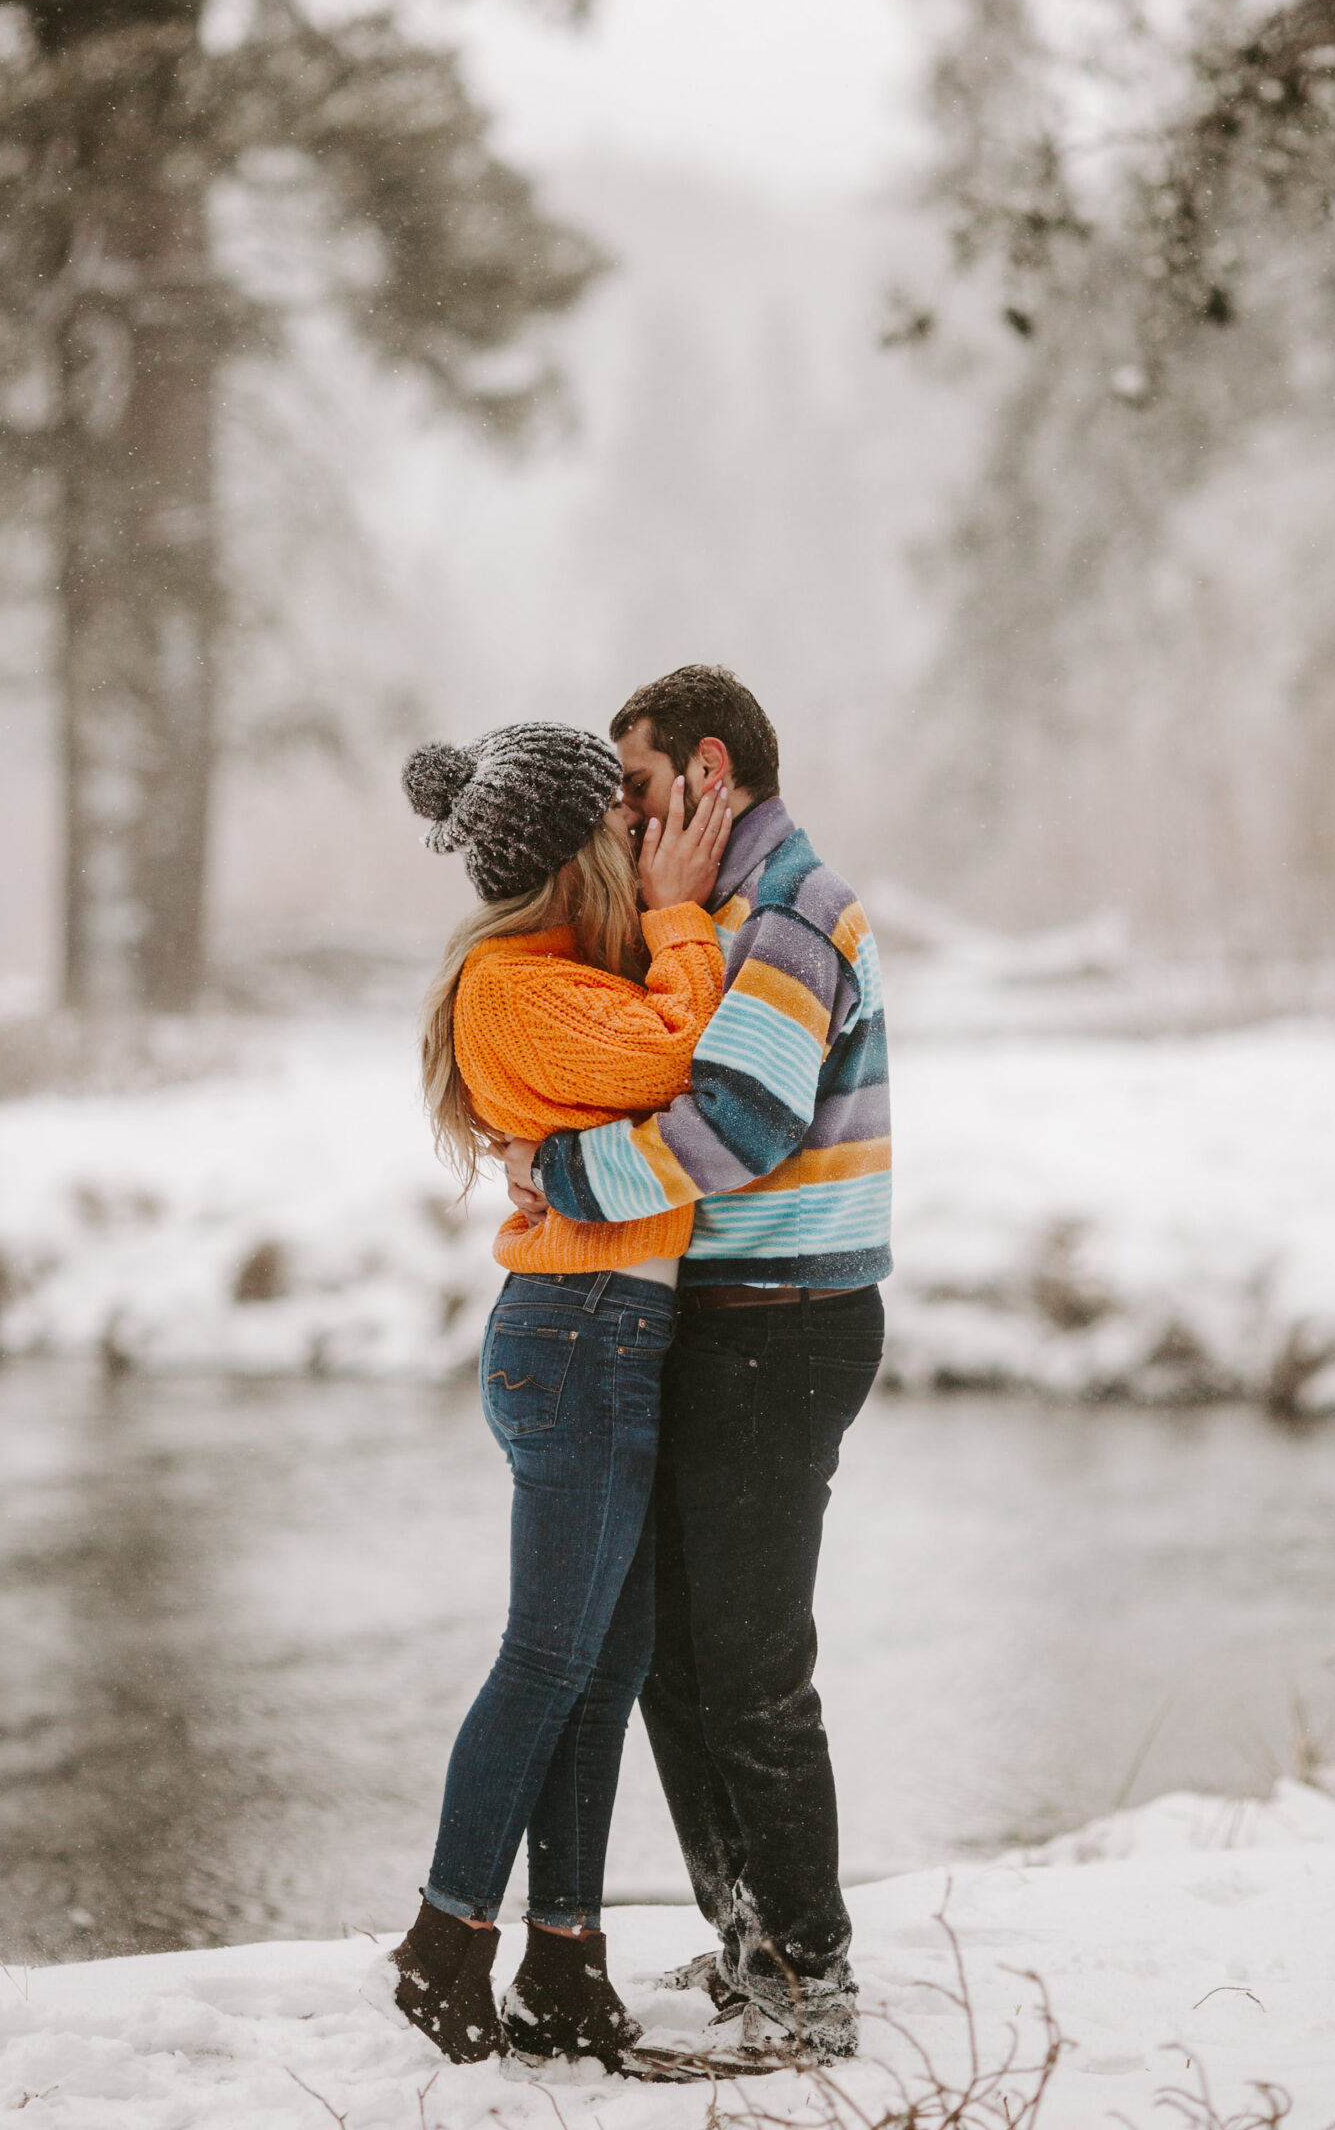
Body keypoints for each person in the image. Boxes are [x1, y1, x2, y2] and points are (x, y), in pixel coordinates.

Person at [502, 665, 890, 2064]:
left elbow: (742, 1120)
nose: (624, 816)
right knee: (668, 1647)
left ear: (710, 774)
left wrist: (568, 1172)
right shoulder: (709, 915)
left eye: (641, 788)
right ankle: (751, 1938)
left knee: (751, 1662)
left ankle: (809, 1976)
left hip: (786, 1322)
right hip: (720, 1316)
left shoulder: (790, 908)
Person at [376, 719, 732, 2072]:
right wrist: (686, 913)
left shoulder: (559, 973)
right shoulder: (519, 988)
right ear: (579, 851)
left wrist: (666, 921)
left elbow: (662, 1049)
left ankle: (564, 1963)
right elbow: (687, 1055)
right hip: (577, 1342)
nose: (643, 843)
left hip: (606, 1340)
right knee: (547, 1658)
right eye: (624, 829)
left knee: (604, 1666)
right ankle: (444, 1937)